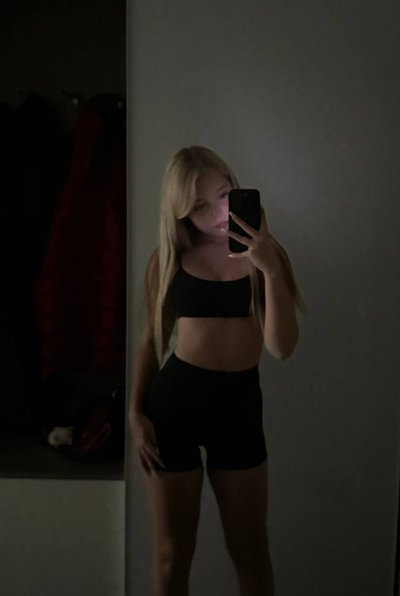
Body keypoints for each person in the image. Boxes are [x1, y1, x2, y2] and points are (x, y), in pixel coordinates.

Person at [129, 145, 304, 596]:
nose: (216, 214)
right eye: (199, 206)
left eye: (223, 195)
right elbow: (150, 340)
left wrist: (269, 269)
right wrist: (134, 413)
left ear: (235, 185)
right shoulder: (169, 259)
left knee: (251, 554)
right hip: (174, 407)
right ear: (181, 212)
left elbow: (281, 348)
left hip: (239, 409)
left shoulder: (266, 256)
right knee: (172, 556)